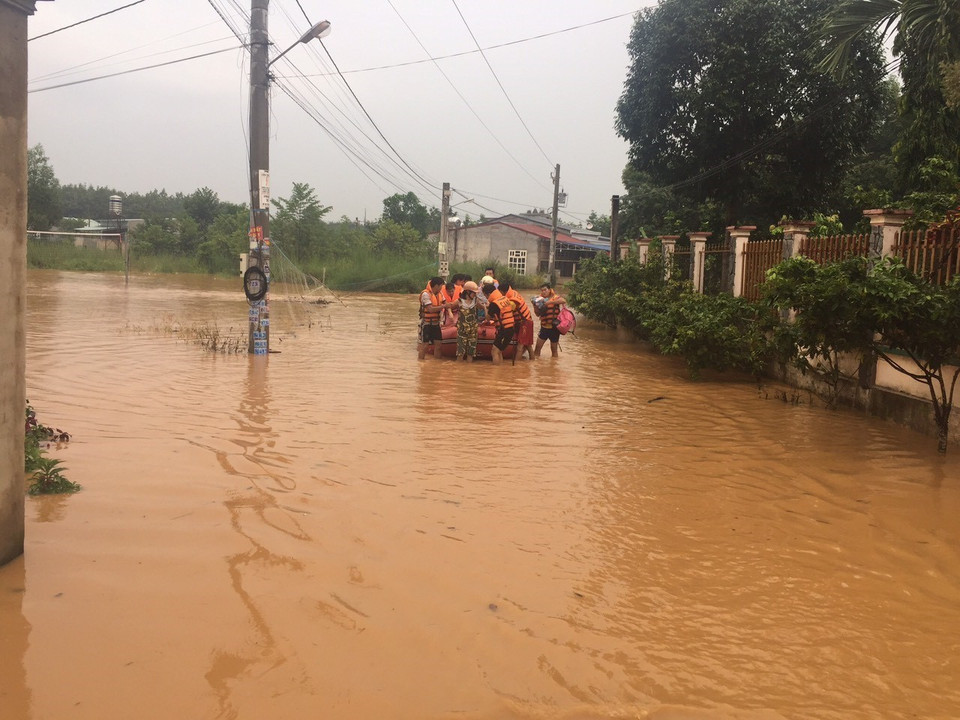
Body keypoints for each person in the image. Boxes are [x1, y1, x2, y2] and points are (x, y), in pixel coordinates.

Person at [481, 280, 517, 365]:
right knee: (499, 350)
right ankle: (501, 372)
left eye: (485, 295)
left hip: (504, 330)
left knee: (494, 351)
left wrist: (485, 308)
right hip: (510, 329)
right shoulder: (504, 299)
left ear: (488, 294)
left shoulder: (494, 304)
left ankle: (496, 373)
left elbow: (487, 318)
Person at [501, 280, 535, 360]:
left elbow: (507, 311)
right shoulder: (513, 293)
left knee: (520, 346)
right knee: (528, 345)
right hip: (526, 321)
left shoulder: (512, 300)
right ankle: (533, 362)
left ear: (503, 291)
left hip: (525, 323)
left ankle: (517, 368)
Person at [533, 282, 566, 358]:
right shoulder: (539, 300)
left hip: (554, 328)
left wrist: (549, 302)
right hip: (544, 327)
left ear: (549, 290)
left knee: (554, 350)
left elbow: (563, 301)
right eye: (542, 290)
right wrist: (535, 306)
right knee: (537, 349)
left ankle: (554, 365)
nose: (543, 292)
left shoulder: (555, 297)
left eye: (545, 290)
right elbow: (537, 314)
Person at [418, 276, 446, 360]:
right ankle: (420, 362)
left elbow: (446, 303)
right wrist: (444, 306)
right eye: (441, 286)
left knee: (438, 345)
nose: (442, 288)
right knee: (425, 345)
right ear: (436, 286)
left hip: (436, 323)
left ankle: (437, 364)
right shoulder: (425, 294)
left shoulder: (440, 294)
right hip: (426, 324)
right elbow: (430, 309)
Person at [455, 280, 482, 361]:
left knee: (471, 353)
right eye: (474, 293)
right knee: (460, 353)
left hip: (473, 331)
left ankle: (468, 370)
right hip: (462, 330)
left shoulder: (476, 301)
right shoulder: (459, 302)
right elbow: (449, 306)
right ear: (467, 292)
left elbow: (483, 306)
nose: (475, 294)